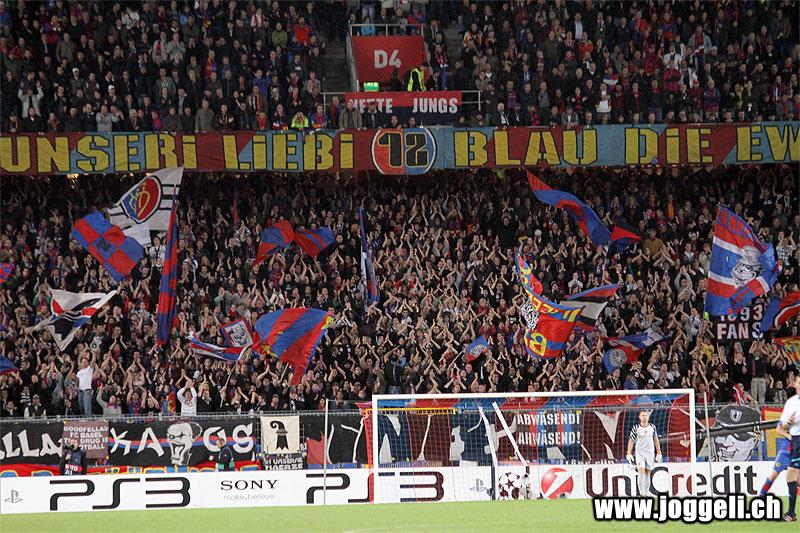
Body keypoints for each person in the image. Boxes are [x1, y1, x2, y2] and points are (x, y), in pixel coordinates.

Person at [779, 374, 800, 521]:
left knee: (792, 475)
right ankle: (791, 514)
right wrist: (789, 421)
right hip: (796, 441)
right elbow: (783, 426)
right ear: (795, 384)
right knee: (793, 476)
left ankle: (791, 514)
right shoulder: (791, 403)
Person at [626, 410, 662, 497]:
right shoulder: (636, 428)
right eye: (642, 415)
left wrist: (659, 452)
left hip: (650, 453)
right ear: (639, 417)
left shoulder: (652, 427)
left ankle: (645, 494)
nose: (644, 417)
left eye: (646, 415)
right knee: (641, 472)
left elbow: (656, 439)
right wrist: (628, 452)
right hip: (639, 453)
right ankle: (642, 494)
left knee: (647, 473)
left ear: (648, 417)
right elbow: (631, 440)